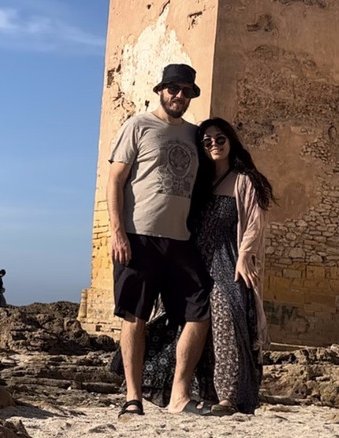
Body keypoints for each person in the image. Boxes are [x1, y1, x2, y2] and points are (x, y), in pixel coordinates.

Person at [108, 64, 213, 417]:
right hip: (138, 237)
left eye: (187, 91)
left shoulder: (195, 135)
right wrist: (117, 231)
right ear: (161, 90)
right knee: (134, 317)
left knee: (199, 311)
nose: (180, 96)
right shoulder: (137, 125)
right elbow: (115, 181)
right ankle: (133, 398)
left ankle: (179, 396)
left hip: (180, 241)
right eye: (174, 89)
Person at [192, 118, 273, 415]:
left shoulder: (243, 180)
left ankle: (228, 396)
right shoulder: (199, 180)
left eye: (220, 139)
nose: (214, 144)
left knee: (227, 313)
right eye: (207, 141)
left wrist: (244, 255)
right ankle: (200, 391)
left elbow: (254, 223)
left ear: (231, 141)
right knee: (194, 322)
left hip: (228, 259)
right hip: (196, 262)